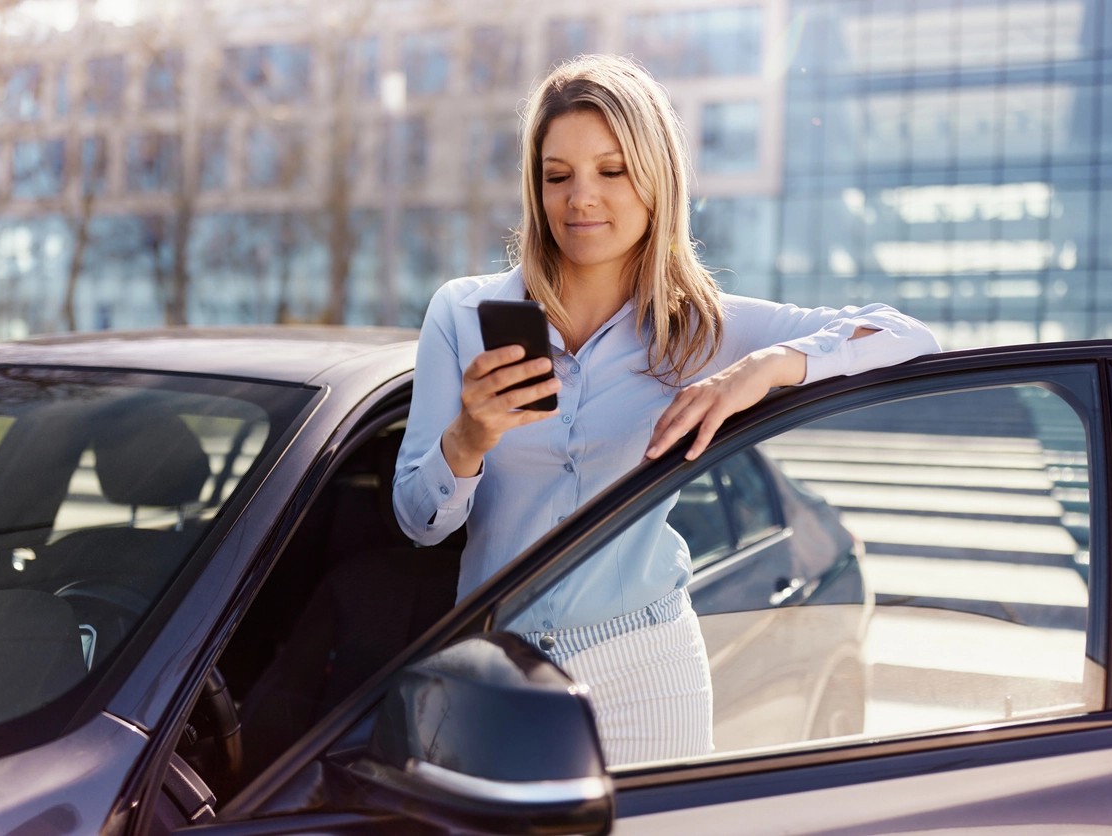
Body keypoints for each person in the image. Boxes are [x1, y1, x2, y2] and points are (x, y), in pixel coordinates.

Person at [393, 54, 940, 766]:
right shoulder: (462, 315)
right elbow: (417, 519)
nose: (579, 198)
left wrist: (762, 369)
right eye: (557, 176)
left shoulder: (703, 329)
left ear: (656, 179)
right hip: (491, 669)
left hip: (643, 672)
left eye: (611, 170)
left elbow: (907, 334)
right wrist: (468, 438)